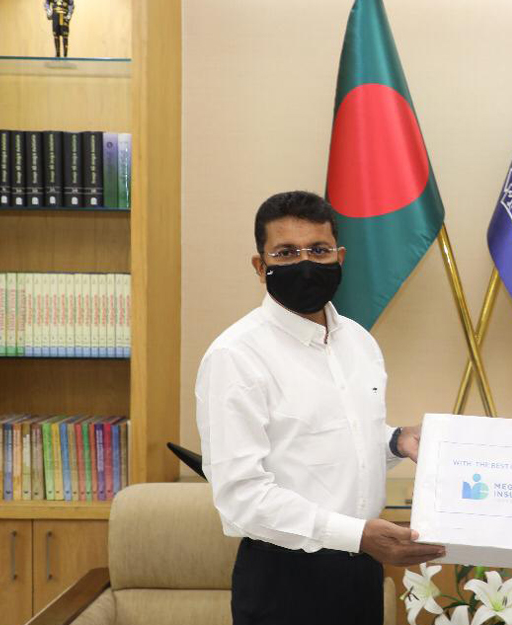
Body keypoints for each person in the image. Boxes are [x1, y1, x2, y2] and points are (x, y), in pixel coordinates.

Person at [195, 191, 445, 625]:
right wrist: (356, 535)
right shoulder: (235, 356)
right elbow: (241, 497)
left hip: (361, 572)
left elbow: (344, 442)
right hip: (283, 579)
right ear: (260, 266)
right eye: (286, 253)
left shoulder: (359, 342)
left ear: (339, 257)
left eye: (318, 250)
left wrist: (395, 441)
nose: (305, 263)